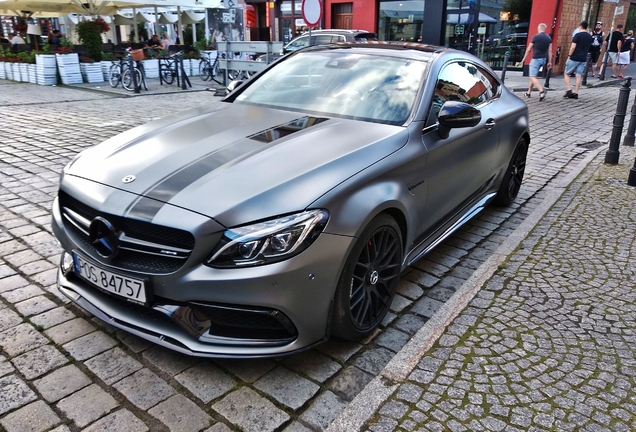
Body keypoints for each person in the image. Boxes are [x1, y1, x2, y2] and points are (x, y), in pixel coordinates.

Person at [520, 22, 552, 101]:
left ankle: (541, 91)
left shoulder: (535, 37)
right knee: (533, 76)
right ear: (545, 29)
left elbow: (528, 49)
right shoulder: (548, 38)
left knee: (532, 76)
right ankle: (528, 92)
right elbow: (550, 50)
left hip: (536, 59)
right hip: (543, 59)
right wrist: (549, 61)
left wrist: (524, 59)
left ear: (538, 28)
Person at [564, 21, 593, 100]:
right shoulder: (589, 37)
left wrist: (569, 55)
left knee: (566, 73)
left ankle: (569, 90)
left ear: (580, 26)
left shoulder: (577, 35)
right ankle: (576, 93)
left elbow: (573, 47)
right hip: (583, 58)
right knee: (578, 75)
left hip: (575, 57)